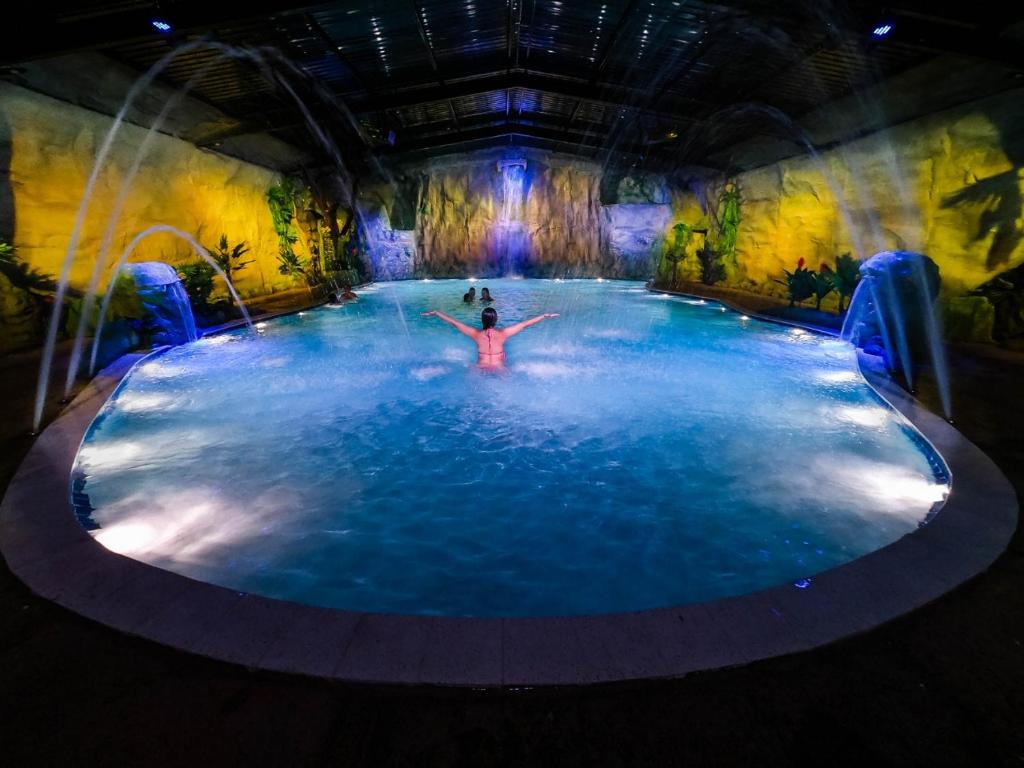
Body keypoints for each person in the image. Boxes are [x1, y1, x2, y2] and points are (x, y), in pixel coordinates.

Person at [422, 306, 559, 369]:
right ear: (495, 320)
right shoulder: (503, 334)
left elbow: (454, 323)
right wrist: (544, 316)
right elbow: (524, 325)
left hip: (480, 367)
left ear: (482, 320)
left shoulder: (476, 334)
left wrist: (436, 313)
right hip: (499, 368)